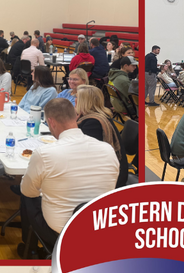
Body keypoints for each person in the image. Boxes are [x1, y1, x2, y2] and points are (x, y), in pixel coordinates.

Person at [19, 98, 119, 255]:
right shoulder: (108, 149)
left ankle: (30, 248)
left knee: (27, 194)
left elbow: (28, 192)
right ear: (76, 117)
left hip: (61, 232)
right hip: (100, 230)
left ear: (51, 122)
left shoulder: (45, 153)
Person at [75, 85, 121, 154]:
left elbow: (83, 149)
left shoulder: (93, 123)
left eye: (77, 97)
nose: (75, 100)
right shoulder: (101, 115)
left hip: (105, 162)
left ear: (84, 102)